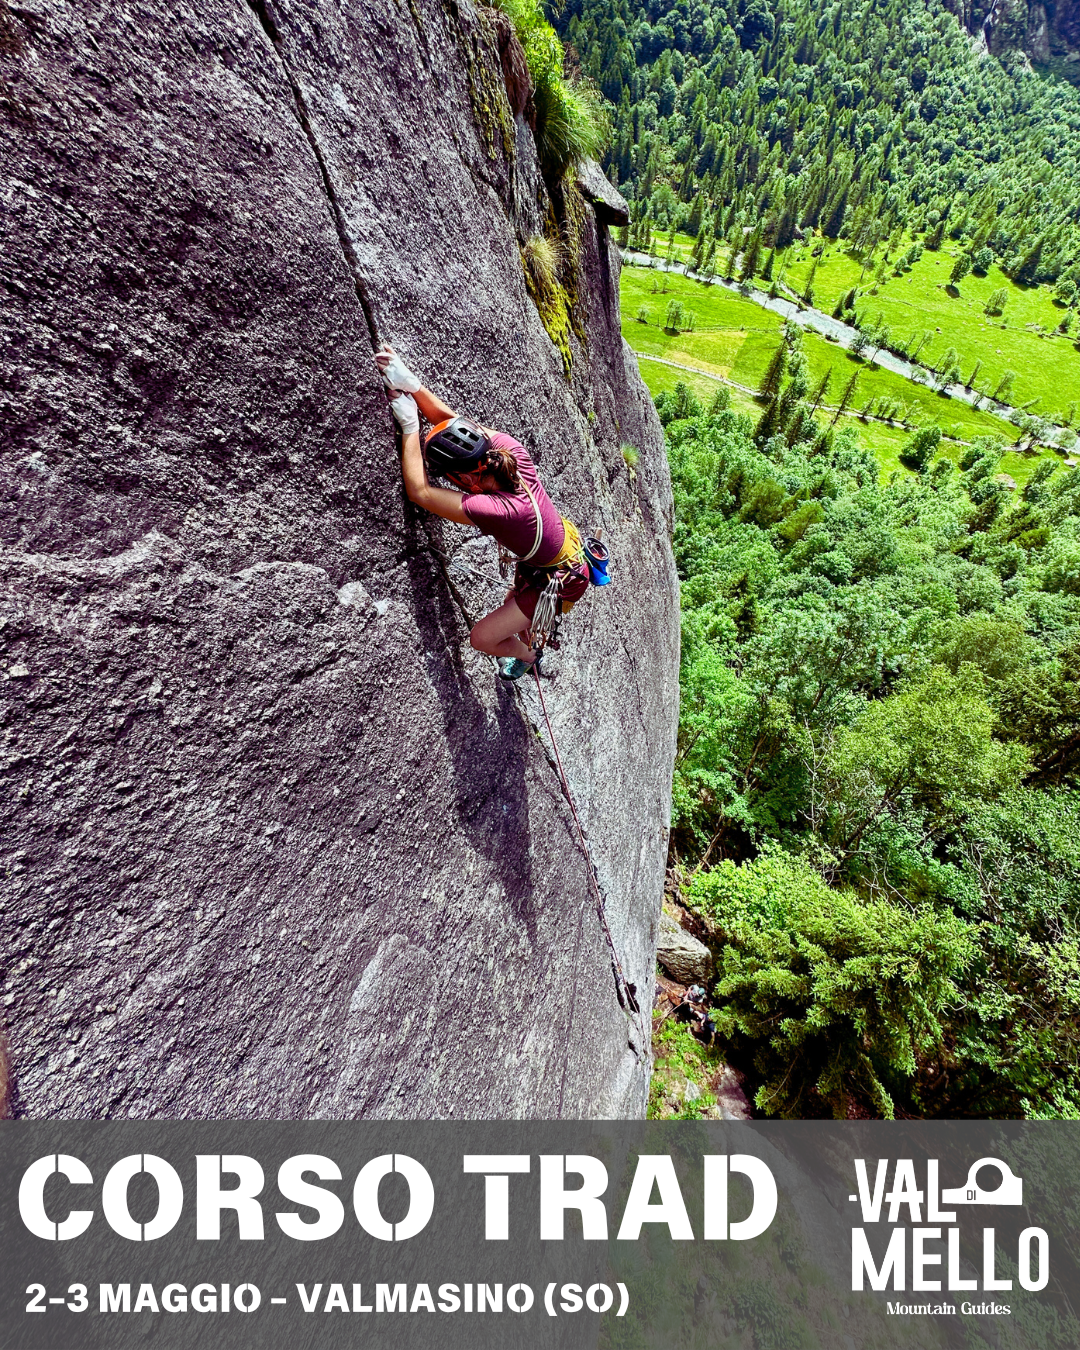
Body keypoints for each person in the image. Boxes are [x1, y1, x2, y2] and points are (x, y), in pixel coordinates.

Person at [376, 345, 590, 680]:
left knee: (483, 637)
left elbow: (421, 493)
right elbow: (457, 426)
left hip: (559, 577)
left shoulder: (496, 510)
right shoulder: (509, 449)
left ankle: (528, 656)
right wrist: (411, 385)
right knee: (518, 610)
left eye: (450, 478)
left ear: (465, 480)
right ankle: (529, 644)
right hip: (554, 557)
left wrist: (410, 427)